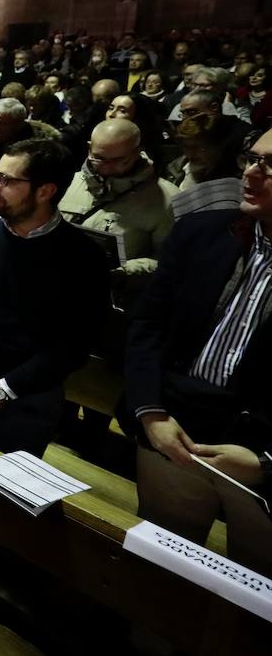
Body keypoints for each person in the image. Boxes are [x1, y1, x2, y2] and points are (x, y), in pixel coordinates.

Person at [122, 135, 272, 575]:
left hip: (261, 456)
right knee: (159, 574)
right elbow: (148, 326)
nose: (251, 172)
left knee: (256, 594)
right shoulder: (202, 231)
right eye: (251, 159)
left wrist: (267, 463)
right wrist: (151, 412)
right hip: (175, 430)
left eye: (270, 165)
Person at [0, 139, 111, 456]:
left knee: (7, 496)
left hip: (30, 397)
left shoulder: (84, 258)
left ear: (45, 191)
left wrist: (5, 389)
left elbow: (75, 343)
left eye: (7, 179)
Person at [58, 119, 177, 310]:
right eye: (99, 158)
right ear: (89, 148)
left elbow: (169, 261)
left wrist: (124, 272)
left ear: (138, 151)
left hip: (115, 301)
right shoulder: (68, 183)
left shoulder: (168, 199)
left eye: (120, 160)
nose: (107, 167)